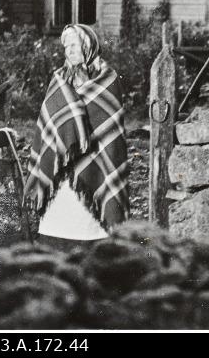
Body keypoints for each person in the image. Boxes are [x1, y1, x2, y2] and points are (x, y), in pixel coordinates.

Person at [25, 24, 130, 252]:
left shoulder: (108, 81)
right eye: (66, 46)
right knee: (57, 230)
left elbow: (110, 135)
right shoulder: (58, 81)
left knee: (89, 232)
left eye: (75, 44)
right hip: (60, 174)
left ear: (88, 46)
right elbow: (47, 130)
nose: (69, 50)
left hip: (96, 173)